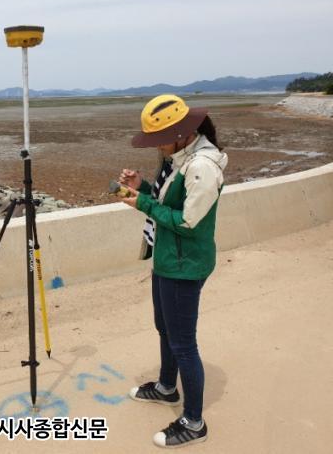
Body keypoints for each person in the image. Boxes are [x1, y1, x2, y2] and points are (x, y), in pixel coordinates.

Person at [118, 94, 227, 449]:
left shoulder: (202, 167)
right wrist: (142, 188)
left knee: (183, 344)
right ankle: (167, 387)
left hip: (184, 265)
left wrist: (143, 204)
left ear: (181, 134)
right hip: (168, 258)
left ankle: (194, 422)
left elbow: (187, 221)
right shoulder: (180, 158)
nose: (157, 146)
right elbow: (170, 202)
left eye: (160, 139)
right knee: (165, 328)